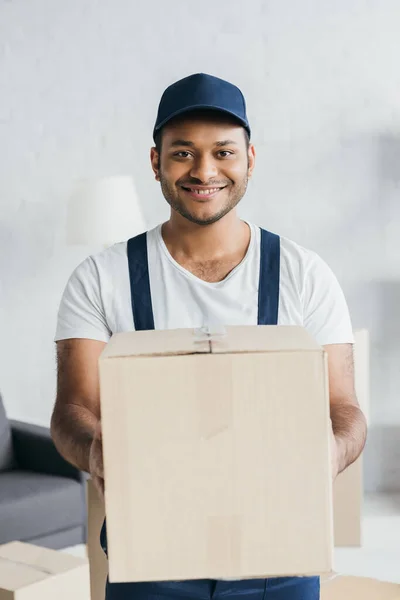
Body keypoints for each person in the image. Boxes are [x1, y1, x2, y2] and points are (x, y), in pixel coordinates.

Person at [51, 73, 367, 600]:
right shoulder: (100, 278)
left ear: (250, 159)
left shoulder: (303, 274)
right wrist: (101, 454)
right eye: (183, 153)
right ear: (156, 162)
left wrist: (327, 456)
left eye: (223, 151)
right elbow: (71, 411)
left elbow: (346, 410)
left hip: (280, 556)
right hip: (149, 557)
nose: (204, 171)